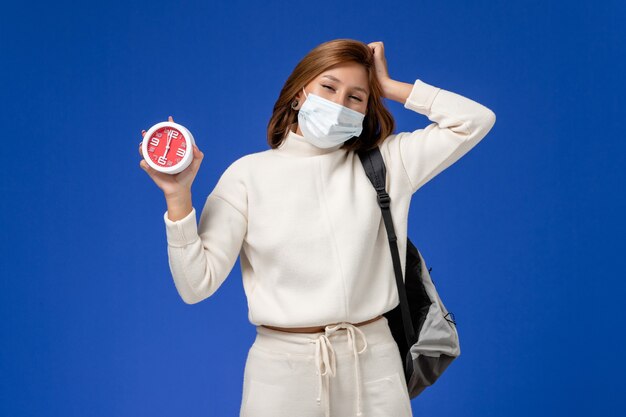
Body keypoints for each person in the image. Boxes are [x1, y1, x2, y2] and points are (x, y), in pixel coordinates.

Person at [138, 39, 496, 417]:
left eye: (356, 97)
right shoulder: (246, 176)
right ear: (298, 94)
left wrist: (388, 86)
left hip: (374, 365)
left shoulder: (388, 164)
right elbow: (196, 285)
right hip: (281, 372)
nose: (339, 104)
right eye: (328, 87)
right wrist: (178, 197)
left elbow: (475, 121)